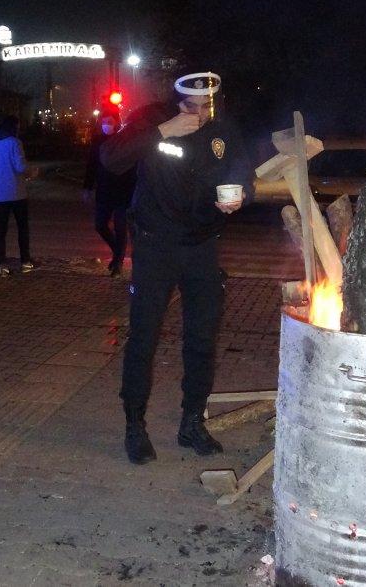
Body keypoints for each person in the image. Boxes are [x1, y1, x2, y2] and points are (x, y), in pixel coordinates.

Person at [100, 71, 254, 464]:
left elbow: (244, 174)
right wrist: (164, 131)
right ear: (176, 101)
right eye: (191, 106)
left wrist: (240, 197)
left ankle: (192, 422)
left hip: (202, 245)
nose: (200, 114)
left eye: (207, 106)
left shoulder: (222, 130)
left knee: (202, 337)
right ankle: (134, 425)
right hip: (155, 245)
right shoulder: (152, 121)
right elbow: (112, 158)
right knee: (144, 336)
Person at [83, 110, 136, 276]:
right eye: (104, 121)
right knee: (100, 225)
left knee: (121, 227)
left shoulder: (124, 141)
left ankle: (118, 262)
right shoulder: (98, 142)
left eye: (110, 121)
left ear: (116, 123)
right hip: (104, 191)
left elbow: (132, 165)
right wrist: (87, 187)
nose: (107, 125)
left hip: (123, 191)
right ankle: (117, 251)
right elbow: (91, 166)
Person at [0, 116, 34, 277]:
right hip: (17, 193)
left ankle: (1, 264)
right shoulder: (15, 143)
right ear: (14, 128)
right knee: (22, 228)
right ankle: (25, 262)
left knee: (0, 230)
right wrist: (31, 172)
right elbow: (20, 167)